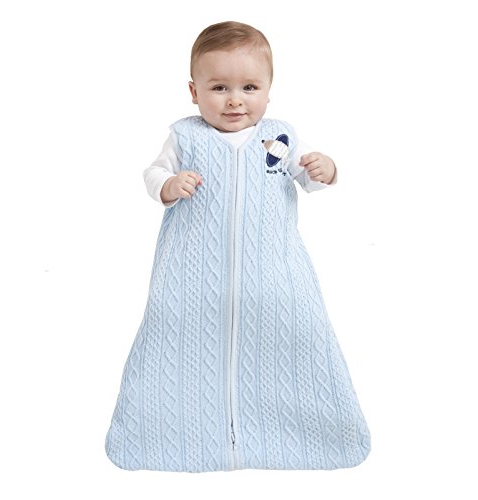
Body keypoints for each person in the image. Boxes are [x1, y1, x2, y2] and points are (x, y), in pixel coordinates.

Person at [105, 21, 371, 473]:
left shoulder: (280, 137)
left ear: (268, 90)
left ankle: (303, 433)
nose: (235, 100)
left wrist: (325, 168)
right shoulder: (186, 136)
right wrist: (168, 185)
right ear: (194, 92)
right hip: (191, 284)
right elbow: (153, 173)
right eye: (219, 88)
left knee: (291, 352)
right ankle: (175, 437)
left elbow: (310, 179)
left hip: (275, 284)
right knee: (178, 354)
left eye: (249, 87)